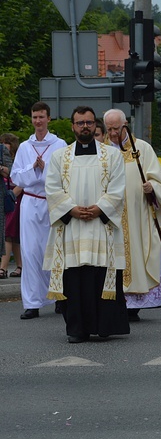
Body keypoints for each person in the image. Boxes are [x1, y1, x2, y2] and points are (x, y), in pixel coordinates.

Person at [43, 105, 128, 343]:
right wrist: (71, 210)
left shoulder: (111, 155)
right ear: (73, 126)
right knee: (74, 279)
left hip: (101, 226)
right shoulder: (59, 157)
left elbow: (118, 187)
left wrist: (100, 208)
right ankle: (76, 329)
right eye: (80, 123)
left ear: (95, 125)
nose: (85, 127)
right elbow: (51, 188)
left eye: (89, 122)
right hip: (71, 228)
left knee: (98, 276)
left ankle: (102, 327)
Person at [104, 109, 161, 322]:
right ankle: (114, 301)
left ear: (125, 125)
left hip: (138, 216)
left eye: (116, 128)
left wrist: (152, 187)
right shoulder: (103, 151)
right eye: (109, 129)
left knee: (138, 253)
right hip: (111, 215)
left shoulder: (142, 149)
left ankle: (134, 304)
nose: (113, 133)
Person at [12, 101, 67, 319]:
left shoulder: (59, 144)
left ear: (48, 119)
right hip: (30, 202)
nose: (38, 121)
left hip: (52, 202)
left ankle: (59, 296)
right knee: (30, 251)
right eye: (35, 117)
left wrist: (47, 171)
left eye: (42, 117)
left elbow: (65, 173)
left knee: (54, 250)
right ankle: (32, 302)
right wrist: (33, 167)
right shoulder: (25, 147)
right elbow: (16, 176)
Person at [0, 133, 21, 279]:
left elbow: (19, 179)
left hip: (13, 199)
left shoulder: (16, 160)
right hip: (8, 199)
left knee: (8, 234)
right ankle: (20, 265)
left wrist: (11, 196)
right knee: (13, 237)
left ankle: (3, 268)